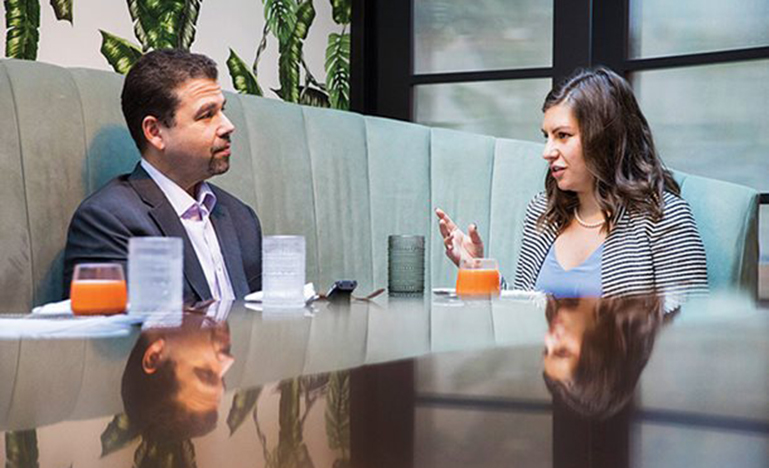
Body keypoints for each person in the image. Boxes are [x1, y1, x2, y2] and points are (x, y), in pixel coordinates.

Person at [436, 67, 708, 298]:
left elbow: (686, 334)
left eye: (563, 135)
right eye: (547, 136)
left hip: (625, 362)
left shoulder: (664, 218)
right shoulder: (542, 213)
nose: (547, 151)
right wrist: (477, 270)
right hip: (540, 361)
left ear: (604, 138)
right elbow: (521, 316)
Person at [63, 49, 262, 304]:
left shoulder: (240, 217)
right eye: (206, 115)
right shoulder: (108, 221)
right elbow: (112, 336)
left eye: (222, 110)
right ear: (155, 132)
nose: (227, 125)